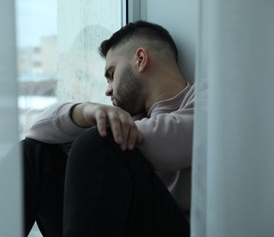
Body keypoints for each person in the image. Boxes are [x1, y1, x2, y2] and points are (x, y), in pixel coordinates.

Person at [22, 20, 194, 237]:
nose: (108, 90)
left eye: (111, 74)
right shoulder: (133, 119)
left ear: (140, 60)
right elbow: (37, 132)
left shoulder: (206, 98)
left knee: (97, 142)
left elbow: (170, 144)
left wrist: (100, 136)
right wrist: (86, 111)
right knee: (34, 154)